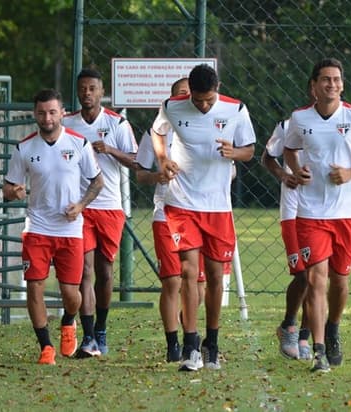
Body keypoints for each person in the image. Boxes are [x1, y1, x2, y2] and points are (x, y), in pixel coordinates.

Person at [283, 58, 351, 372]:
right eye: (326, 79)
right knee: (316, 279)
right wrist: (295, 169)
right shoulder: (299, 118)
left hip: (346, 212)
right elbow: (290, 148)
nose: (332, 84)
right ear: (314, 86)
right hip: (310, 212)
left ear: (342, 84)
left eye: (337, 79)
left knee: (339, 282)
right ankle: (318, 352)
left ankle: (332, 328)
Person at [151, 64, 256, 371]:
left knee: (213, 276)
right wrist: (163, 158)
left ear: (217, 89)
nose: (204, 105)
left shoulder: (235, 109)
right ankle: (191, 345)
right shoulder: (172, 106)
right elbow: (157, 133)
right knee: (187, 271)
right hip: (181, 202)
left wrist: (234, 153)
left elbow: (249, 150)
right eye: (199, 100)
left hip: (217, 207)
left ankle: (213, 342)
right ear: (190, 94)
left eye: (209, 100)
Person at [3, 88, 104, 365]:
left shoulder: (78, 144)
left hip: (70, 230)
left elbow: (97, 182)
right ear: (35, 114)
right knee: (34, 286)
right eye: (41, 113)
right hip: (36, 229)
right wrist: (15, 191)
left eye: (52, 112)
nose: (47, 118)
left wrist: (81, 205)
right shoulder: (24, 148)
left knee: (72, 295)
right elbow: (8, 188)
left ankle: (69, 321)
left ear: (62, 113)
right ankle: (45, 346)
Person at [61, 67, 138, 357]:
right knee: (86, 271)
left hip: (109, 207)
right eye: (82, 89)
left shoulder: (117, 123)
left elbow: (135, 160)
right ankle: (89, 335)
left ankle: (102, 330)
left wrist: (110, 150)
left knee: (105, 272)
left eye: (92, 88)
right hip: (80, 208)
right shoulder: (67, 123)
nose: (87, 93)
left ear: (102, 92)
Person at [136, 78, 207, 363]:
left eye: (191, 94)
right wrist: (158, 175)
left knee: (198, 285)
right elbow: (140, 173)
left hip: (201, 213)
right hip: (166, 212)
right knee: (172, 281)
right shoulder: (156, 132)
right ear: (170, 100)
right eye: (180, 94)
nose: (186, 99)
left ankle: (187, 326)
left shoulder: (207, 128)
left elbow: (230, 170)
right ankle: (173, 343)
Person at [261, 85, 316, 361]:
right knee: (303, 275)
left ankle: (305, 337)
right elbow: (267, 158)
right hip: (294, 211)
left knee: (317, 277)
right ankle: (289, 325)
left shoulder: (345, 124)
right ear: (311, 89)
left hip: (324, 213)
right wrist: (285, 175)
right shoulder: (288, 125)